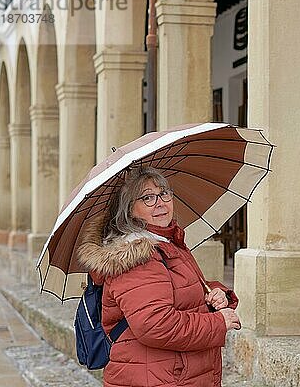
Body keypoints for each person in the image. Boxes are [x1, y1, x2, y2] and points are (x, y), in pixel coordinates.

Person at [77, 166, 241, 387]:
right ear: (129, 210)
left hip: (173, 373)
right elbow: (155, 324)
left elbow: (179, 291)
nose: (161, 202)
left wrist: (214, 294)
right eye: (148, 198)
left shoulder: (166, 243)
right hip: (159, 377)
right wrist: (217, 322)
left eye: (164, 193)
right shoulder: (135, 255)